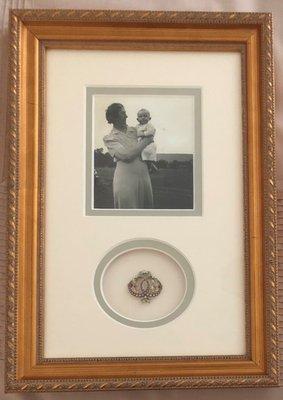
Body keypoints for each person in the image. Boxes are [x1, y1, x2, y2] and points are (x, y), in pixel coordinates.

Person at [103, 103, 154, 209]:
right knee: (128, 212)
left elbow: (147, 148)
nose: (126, 116)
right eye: (123, 113)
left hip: (144, 176)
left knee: (147, 214)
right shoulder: (109, 138)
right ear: (114, 117)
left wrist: (150, 161)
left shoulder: (135, 130)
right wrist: (147, 140)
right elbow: (126, 156)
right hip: (125, 180)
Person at [136, 108, 158, 173]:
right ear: (137, 119)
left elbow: (151, 132)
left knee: (146, 156)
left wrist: (142, 134)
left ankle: (149, 168)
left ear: (149, 118)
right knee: (143, 157)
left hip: (149, 144)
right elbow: (134, 133)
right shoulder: (137, 126)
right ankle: (151, 167)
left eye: (145, 116)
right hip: (141, 144)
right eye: (140, 116)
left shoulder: (149, 125)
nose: (143, 118)